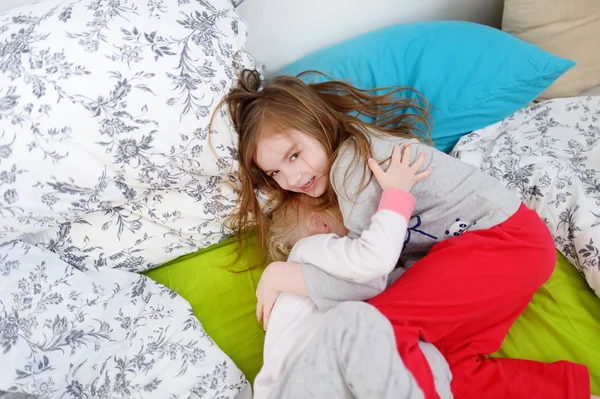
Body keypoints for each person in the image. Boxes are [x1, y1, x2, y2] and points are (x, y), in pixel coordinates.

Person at [219, 69, 593, 399]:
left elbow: (370, 277)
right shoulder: (349, 163)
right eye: (274, 174)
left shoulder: (353, 166)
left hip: (499, 241)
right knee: (446, 366)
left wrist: (283, 274)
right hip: (507, 253)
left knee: (378, 330)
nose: (292, 179)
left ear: (319, 125)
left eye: (295, 155)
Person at [254, 144, 453, 399]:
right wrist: (396, 198)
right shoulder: (308, 250)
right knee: (356, 319)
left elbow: (388, 287)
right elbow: (372, 274)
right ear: (320, 222)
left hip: (336, 380)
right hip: (295, 382)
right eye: (344, 212)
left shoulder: (322, 278)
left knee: (427, 357)